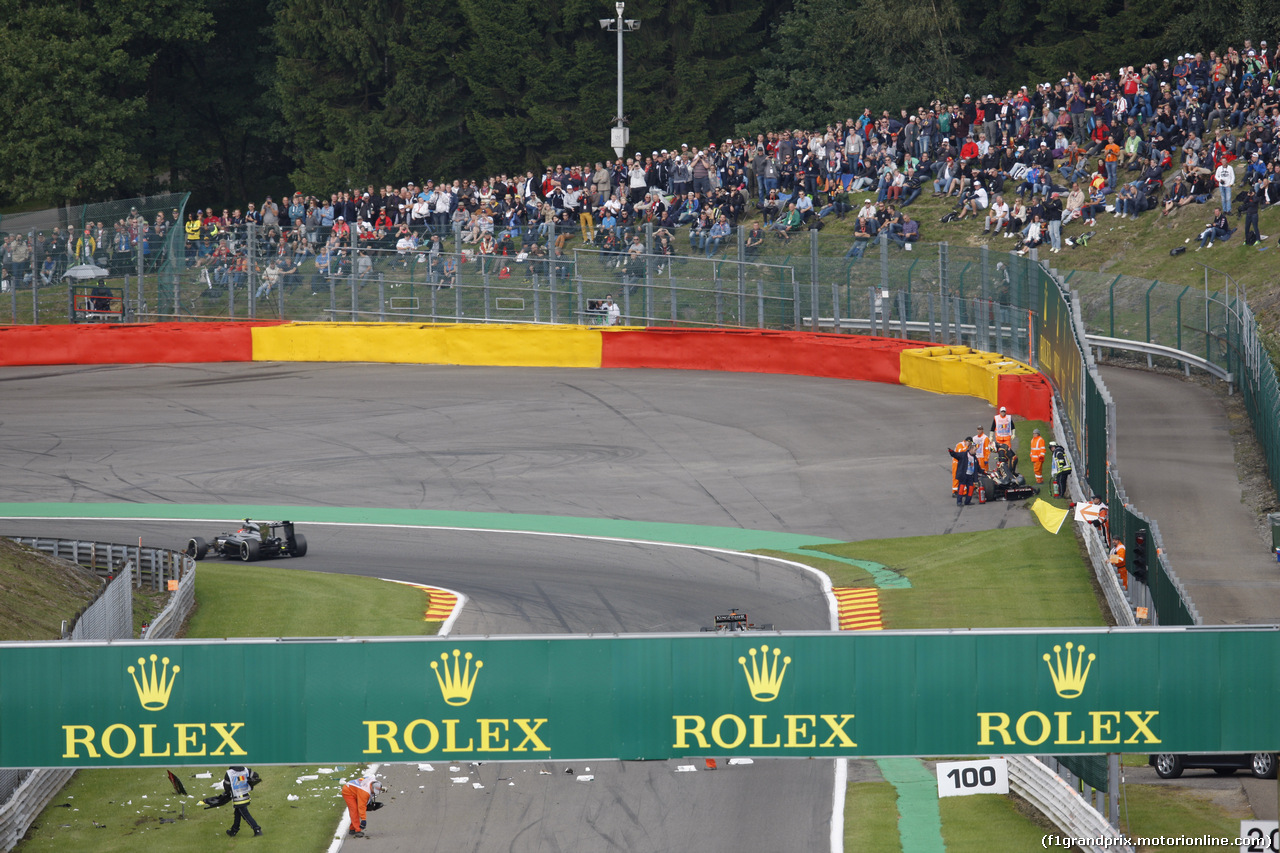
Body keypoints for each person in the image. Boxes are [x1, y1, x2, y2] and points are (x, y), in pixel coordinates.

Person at [342, 773, 385, 838]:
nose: (373, 793)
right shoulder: (365, 792)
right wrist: (363, 819)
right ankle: (357, 830)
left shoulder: (373, 781)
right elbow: (361, 807)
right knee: (355, 810)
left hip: (355, 790)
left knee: (357, 810)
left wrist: (382, 789)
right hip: (348, 792)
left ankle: (352, 829)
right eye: (373, 792)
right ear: (371, 788)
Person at [223, 765, 262, 837]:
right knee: (237, 813)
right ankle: (234, 830)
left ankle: (257, 829)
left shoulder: (229, 773)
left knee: (245, 815)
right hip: (245, 795)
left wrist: (226, 793)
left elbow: (226, 786)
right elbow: (256, 776)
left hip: (237, 798)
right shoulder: (246, 770)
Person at [947, 439, 979, 507]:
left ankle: (967, 501)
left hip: (970, 476)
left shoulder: (975, 458)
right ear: (970, 449)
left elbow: (978, 468)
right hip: (964, 475)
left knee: (970, 488)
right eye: (975, 450)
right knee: (961, 488)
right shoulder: (963, 455)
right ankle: (959, 501)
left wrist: (984, 472)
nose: (976, 451)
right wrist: (951, 451)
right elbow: (955, 454)